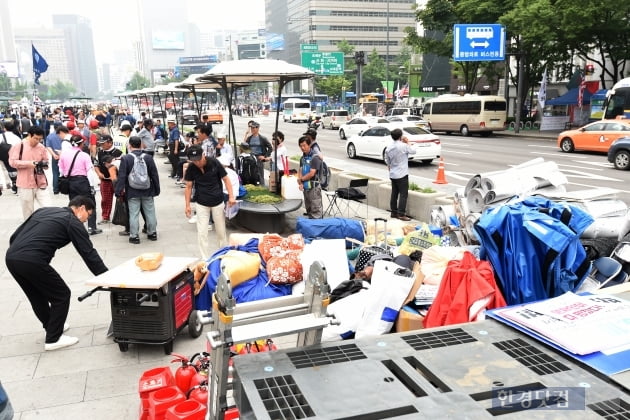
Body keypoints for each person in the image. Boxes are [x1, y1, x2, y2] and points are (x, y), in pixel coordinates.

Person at [5, 195, 108, 351]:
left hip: (12, 257)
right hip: (32, 260)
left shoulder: (44, 211)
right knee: (62, 294)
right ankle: (53, 338)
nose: (86, 220)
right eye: (89, 214)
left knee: (36, 295)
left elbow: (16, 234)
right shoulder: (72, 222)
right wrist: (107, 277)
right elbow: (88, 253)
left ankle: (52, 326)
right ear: (81, 208)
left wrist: (18, 253)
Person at [184, 144, 236, 259]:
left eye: (198, 159)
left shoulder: (214, 163)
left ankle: (223, 255)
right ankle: (205, 259)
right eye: (194, 161)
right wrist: (187, 205)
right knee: (202, 232)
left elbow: (226, 179)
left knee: (221, 231)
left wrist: (231, 196)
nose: (197, 163)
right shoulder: (192, 168)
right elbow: (188, 187)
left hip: (217, 201)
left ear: (203, 155)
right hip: (201, 203)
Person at [115, 136, 160, 244]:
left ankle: (134, 236)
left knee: (134, 214)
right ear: (140, 144)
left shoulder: (126, 158)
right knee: (150, 212)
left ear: (129, 145)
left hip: (132, 191)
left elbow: (122, 177)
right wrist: (157, 189)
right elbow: (154, 174)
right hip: (147, 190)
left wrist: (118, 191)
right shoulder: (148, 157)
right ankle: (152, 233)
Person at [59, 135, 103, 235]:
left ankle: (77, 227)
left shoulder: (64, 155)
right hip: (82, 182)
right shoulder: (84, 155)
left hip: (70, 182)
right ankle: (92, 227)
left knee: (74, 204)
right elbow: (89, 172)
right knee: (89, 203)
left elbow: (61, 170)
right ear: (82, 143)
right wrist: (91, 186)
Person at [8, 126, 51, 220]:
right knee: (27, 212)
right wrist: (29, 164)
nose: (38, 141)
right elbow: (12, 162)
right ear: (29, 135)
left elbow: (46, 162)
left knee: (48, 208)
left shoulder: (41, 147)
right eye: (36, 138)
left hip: (40, 182)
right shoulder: (19, 145)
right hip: (25, 183)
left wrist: (43, 164)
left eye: (40, 139)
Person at [384, 128, 415, 221]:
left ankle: (393, 212)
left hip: (393, 174)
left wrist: (390, 168)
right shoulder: (403, 146)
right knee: (403, 194)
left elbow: (387, 161)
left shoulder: (388, 148)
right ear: (400, 136)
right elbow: (413, 151)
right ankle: (401, 214)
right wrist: (408, 142)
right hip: (402, 173)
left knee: (394, 193)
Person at [94, 135, 123, 223]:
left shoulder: (119, 153)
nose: (102, 145)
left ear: (110, 143)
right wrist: (99, 173)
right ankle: (105, 217)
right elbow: (96, 165)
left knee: (121, 198)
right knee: (105, 200)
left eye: (103, 143)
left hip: (117, 181)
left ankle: (122, 217)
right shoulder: (99, 153)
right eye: (101, 143)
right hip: (105, 180)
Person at [298, 136, 323, 219]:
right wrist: (300, 182)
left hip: (314, 188)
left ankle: (317, 229)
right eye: (300, 146)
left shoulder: (315, 158)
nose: (302, 148)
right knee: (309, 210)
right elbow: (300, 170)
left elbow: (312, 173)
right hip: (306, 187)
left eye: (304, 145)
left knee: (316, 211)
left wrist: (302, 179)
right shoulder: (302, 158)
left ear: (309, 145)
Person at [242, 121, 272, 186]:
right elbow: (244, 146)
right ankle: (253, 185)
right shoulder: (249, 138)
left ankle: (262, 186)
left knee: (260, 173)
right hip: (251, 158)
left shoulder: (262, 138)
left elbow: (270, 148)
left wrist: (265, 156)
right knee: (252, 173)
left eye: (254, 128)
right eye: (251, 128)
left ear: (258, 128)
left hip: (259, 158)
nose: (252, 129)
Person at [45, 124, 68, 194]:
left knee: (55, 173)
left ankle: (56, 189)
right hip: (65, 156)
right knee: (65, 172)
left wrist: (54, 154)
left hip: (55, 156)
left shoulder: (50, 136)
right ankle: (64, 188)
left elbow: (48, 146)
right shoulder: (65, 135)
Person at [0, 120, 22, 194]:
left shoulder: (1, 136)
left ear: (4, 128)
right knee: (15, 169)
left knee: (5, 169)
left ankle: (9, 183)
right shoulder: (17, 137)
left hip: (3, 156)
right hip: (14, 156)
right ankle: (16, 183)